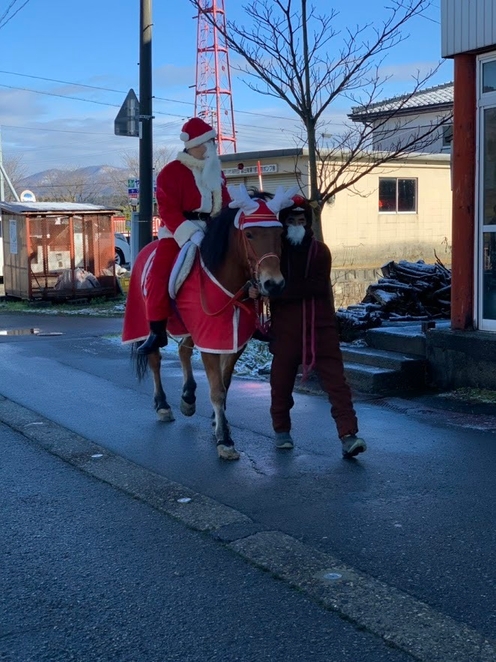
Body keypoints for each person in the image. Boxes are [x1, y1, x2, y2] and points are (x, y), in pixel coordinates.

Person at [252, 195, 367, 459]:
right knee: (280, 384)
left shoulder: (320, 251)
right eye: (290, 220)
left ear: (308, 222)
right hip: (286, 330)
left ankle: (349, 435)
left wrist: (274, 292)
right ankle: (282, 431)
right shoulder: (275, 254)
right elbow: (261, 278)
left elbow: (314, 286)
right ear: (283, 222)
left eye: (301, 220)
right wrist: (257, 290)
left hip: (321, 328)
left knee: (337, 383)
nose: (296, 224)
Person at [138, 117, 231, 354]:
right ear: (196, 145)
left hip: (211, 230)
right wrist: (189, 234)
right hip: (177, 232)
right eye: (210, 142)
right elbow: (167, 209)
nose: (213, 147)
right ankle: (157, 330)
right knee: (159, 274)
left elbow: (225, 203)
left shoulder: (216, 173)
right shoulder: (171, 173)